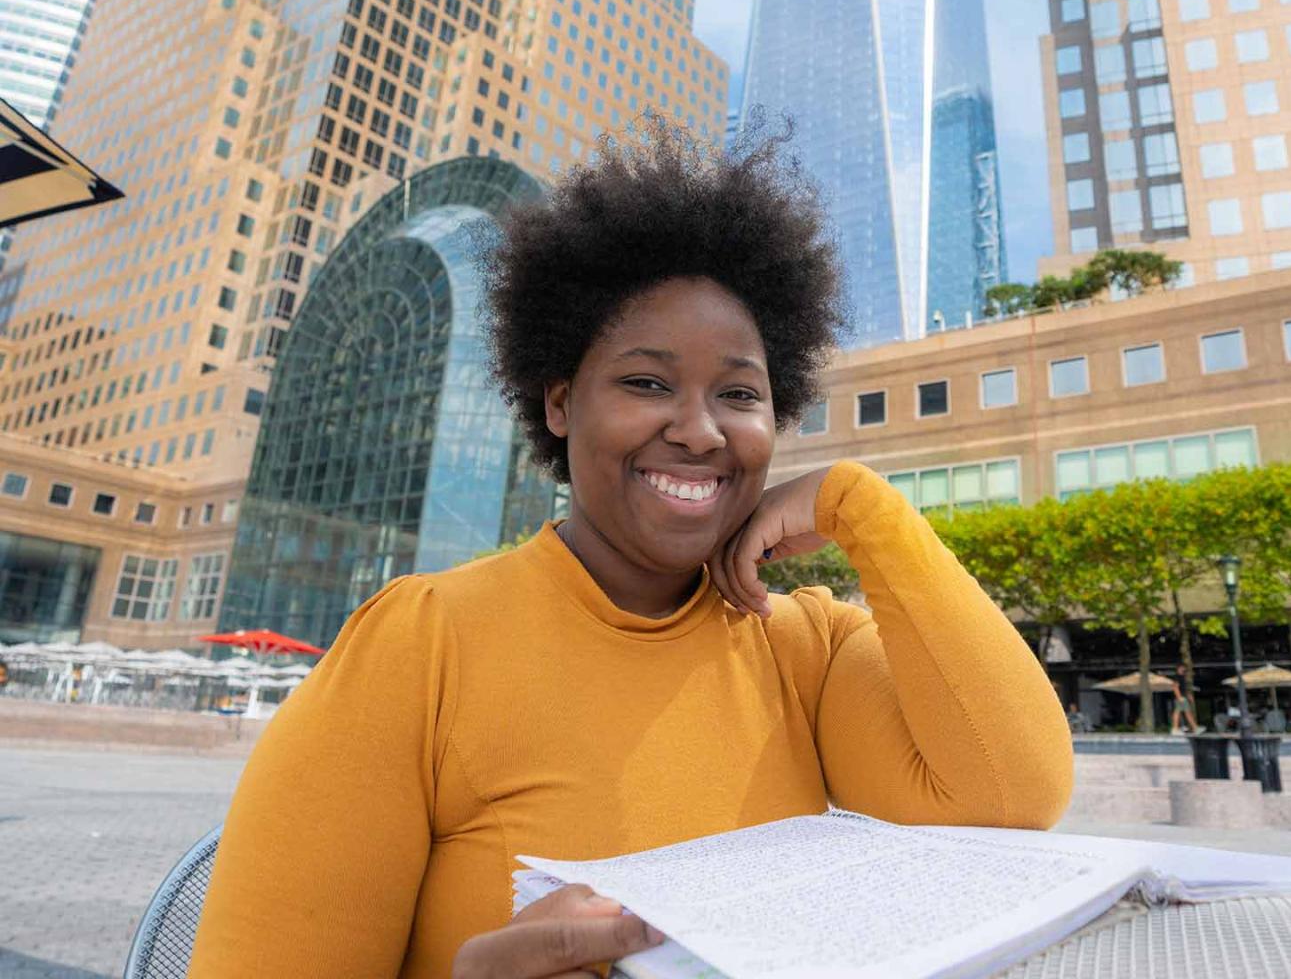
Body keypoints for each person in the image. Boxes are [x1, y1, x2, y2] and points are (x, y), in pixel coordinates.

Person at [188, 123, 1075, 978]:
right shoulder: (420, 649)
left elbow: (1011, 792)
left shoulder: (804, 644)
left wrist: (864, 512)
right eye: (646, 383)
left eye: (739, 393)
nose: (698, 431)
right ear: (562, 403)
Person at [1169, 671, 1199, 736]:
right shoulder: (1178, 677)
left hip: (1182, 697)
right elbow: (1175, 687)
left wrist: (1189, 696)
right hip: (1182, 698)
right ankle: (1195, 728)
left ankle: (1175, 729)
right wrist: (1179, 697)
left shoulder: (1182, 678)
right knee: (1186, 712)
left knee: (1179, 712)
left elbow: (1184, 689)